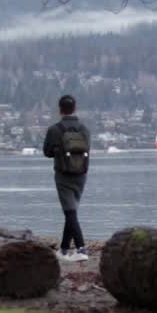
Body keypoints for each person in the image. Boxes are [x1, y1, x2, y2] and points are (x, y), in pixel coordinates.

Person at [43, 94, 91, 262]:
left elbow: (46, 152)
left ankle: (81, 248)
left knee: (70, 212)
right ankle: (63, 250)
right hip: (81, 175)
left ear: (60, 110)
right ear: (74, 108)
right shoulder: (84, 129)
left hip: (63, 175)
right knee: (72, 211)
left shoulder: (54, 130)